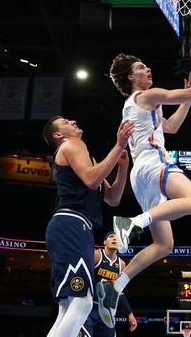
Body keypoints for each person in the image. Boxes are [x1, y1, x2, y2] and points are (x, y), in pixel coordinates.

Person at [104, 47, 191, 306]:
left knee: (164, 244)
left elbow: (171, 126)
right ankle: (133, 223)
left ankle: (116, 285)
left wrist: (186, 100)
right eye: (140, 68)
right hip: (154, 162)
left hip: (140, 174)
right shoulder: (148, 96)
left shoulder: (132, 106)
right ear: (130, 79)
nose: (147, 70)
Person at [42, 116, 134, 337]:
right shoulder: (72, 144)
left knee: (67, 308)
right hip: (71, 224)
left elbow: (112, 198)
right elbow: (92, 180)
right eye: (65, 121)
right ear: (58, 135)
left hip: (75, 227)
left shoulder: (86, 159)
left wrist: (122, 167)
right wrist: (119, 144)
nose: (73, 120)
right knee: (82, 303)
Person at [80, 231, 138, 337]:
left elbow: (119, 291)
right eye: (111, 237)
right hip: (88, 306)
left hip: (107, 311)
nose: (114, 239)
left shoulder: (121, 265)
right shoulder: (96, 255)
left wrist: (129, 313)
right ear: (104, 242)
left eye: (117, 238)